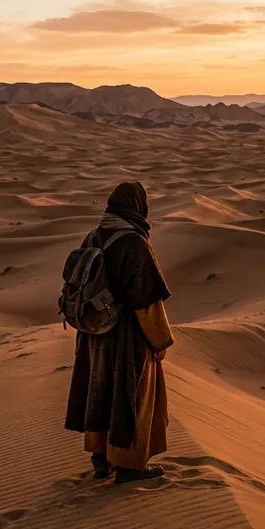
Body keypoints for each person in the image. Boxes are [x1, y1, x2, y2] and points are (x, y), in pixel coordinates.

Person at [64, 181, 173, 483]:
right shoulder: (134, 243)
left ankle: (101, 458)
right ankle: (129, 465)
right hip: (128, 337)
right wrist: (160, 341)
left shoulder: (94, 235)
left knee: (97, 391)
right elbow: (147, 302)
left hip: (94, 336)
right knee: (133, 395)